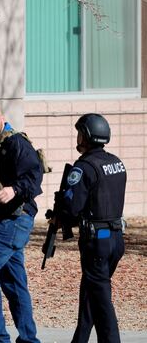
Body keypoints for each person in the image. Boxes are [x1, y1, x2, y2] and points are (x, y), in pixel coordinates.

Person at [0, 102, 42, 343]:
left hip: (14, 218)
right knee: (13, 281)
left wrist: (14, 190)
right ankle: (29, 339)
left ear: (2, 118)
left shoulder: (16, 143)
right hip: (2, 218)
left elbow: (35, 177)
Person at [56, 113, 126, 343]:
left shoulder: (84, 167)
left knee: (102, 301)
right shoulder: (116, 163)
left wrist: (60, 214)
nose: (77, 137)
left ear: (86, 135)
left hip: (97, 242)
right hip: (115, 237)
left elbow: (73, 208)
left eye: (79, 133)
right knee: (91, 293)